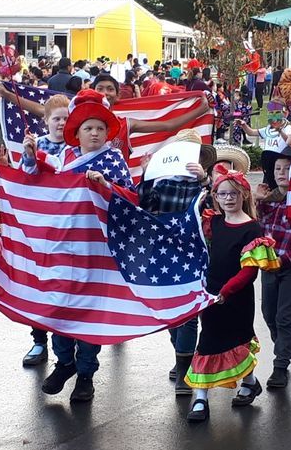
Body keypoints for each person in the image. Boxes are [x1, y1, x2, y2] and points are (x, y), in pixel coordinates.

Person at [20, 90, 135, 402]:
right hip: (63, 246)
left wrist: (105, 186)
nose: (94, 133)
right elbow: (36, 178)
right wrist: (30, 154)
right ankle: (64, 362)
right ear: (78, 132)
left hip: (96, 250)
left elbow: (130, 198)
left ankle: (86, 373)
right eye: (88, 128)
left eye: (99, 128)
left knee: (88, 312)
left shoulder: (114, 160)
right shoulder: (65, 157)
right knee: (60, 307)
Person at [184, 163, 279, 422]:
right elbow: (191, 208)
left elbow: (249, 271)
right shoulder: (213, 222)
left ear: (243, 195)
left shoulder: (252, 229)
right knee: (207, 343)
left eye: (233, 194)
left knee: (235, 343)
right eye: (223, 194)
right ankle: (201, 399)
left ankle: (248, 382)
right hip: (212, 294)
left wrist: (227, 291)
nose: (228, 199)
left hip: (236, 298)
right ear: (216, 196)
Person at [138, 128, 216, 394]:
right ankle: (183, 355)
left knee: (189, 314)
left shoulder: (205, 183)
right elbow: (144, 207)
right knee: (172, 314)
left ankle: (184, 368)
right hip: (165, 255)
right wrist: (147, 175)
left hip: (195, 254)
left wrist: (205, 180)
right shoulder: (162, 182)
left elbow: (217, 206)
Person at [253, 146, 291, 389]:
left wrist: (284, 259)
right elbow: (257, 228)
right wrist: (256, 201)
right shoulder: (268, 200)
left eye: (287, 169)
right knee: (269, 313)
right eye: (277, 168)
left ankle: (281, 365)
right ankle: (282, 345)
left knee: (285, 316)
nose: (281, 173)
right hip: (268, 267)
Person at [20, 94, 71, 368]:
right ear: (46, 120)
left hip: (68, 225)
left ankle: (67, 341)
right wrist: (29, 157)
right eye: (57, 118)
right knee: (39, 283)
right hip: (41, 225)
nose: (62, 123)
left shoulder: (77, 145)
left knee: (63, 284)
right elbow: (23, 178)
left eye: (66, 118)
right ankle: (39, 340)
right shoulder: (36, 143)